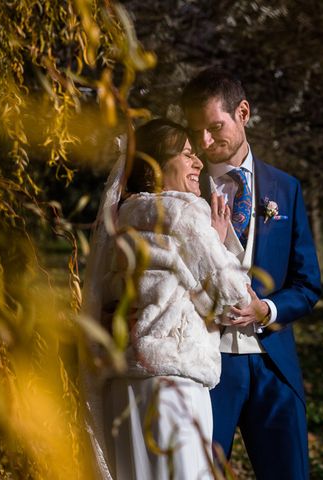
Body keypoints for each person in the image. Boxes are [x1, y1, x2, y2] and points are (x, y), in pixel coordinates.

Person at [82, 118, 251, 480]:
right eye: (188, 154)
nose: (199, 163)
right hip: (172, 383)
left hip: (123, 383)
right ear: (158, 166)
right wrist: (218, 243)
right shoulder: (185, 213)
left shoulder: (122, 218)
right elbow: (234, 299)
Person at [180, 68, 322, 479]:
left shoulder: (286, 188)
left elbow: (307, 284)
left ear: (243, 112)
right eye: (196, 131)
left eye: (215, 127)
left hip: (274, 366)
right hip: (206, 366)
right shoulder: (182, 190)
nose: (205, 142)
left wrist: (267, 309)